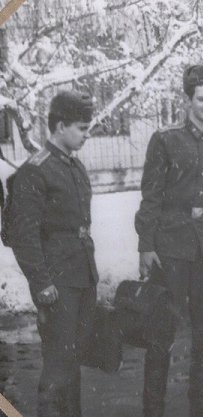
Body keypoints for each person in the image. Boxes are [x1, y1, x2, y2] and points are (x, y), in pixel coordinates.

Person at [135, 65, 203, 417]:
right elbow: (151, 196)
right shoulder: (165, 139)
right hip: (170, 244)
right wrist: (146, 246)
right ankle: (153, 408)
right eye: (202, 99)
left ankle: (199, 404)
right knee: (161, 330)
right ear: (189, 100)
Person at [6, 91, 97, 417]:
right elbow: (24, 236)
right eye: (82, 128)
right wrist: (42, 282)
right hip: (57, 282)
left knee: (73, 360)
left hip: (81, 274)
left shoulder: (73, 165)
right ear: (60, 126)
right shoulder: (36, 171)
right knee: (58, 365)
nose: (87, 135)